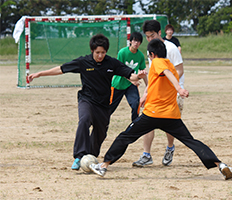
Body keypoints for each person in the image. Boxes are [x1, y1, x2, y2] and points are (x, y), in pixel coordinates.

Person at [89, 39, 232, 181]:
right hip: (171, 116)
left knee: (125, 137)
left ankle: (104, 165)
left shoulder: (158, 63)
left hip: (152, 114)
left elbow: (166, 73)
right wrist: (144, 96)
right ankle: (220, 164)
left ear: (152, 54)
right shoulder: (170, 64)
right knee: (191, 141)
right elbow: (157, 82)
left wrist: (179, 88)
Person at [28, 34, 147, 171]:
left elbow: (128, 74)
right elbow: (61, 69)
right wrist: (40, 74)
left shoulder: (111, 63)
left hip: (103, 104)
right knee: (84, 120)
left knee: (101, 132)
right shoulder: (83, 62)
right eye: (97, 52)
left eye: (103, 52)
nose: (100, 55)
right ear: (92, 51)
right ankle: (79, 156)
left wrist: (138, 76)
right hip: (87, 100)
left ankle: (90, 156)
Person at [132, 19, 184, 167]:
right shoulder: (151, 50)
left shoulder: (171, 48)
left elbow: (179, 70)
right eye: (147, 36)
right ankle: (146, 154)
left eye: (152, 35)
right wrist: (145, 93)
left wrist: (170, 84)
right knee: (148, 120)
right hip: (155, 93)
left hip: (172, 92)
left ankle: (169, 147)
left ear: (159, 33)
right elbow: (155, 74)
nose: (149, 39)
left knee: (170, 124)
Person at [110, 32, 148, 121]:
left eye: (139, 41)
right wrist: (132, 80)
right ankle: (101, 123)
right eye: (134, 40)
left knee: (136, 104)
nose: (136, 43)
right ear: (130, 41)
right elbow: (119, 70)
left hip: (130, 85)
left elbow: (143, 71)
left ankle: (134, 125)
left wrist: (148, 86)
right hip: (118, 84)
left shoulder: (140, 55)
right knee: (109, 108)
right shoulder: (122, 52)